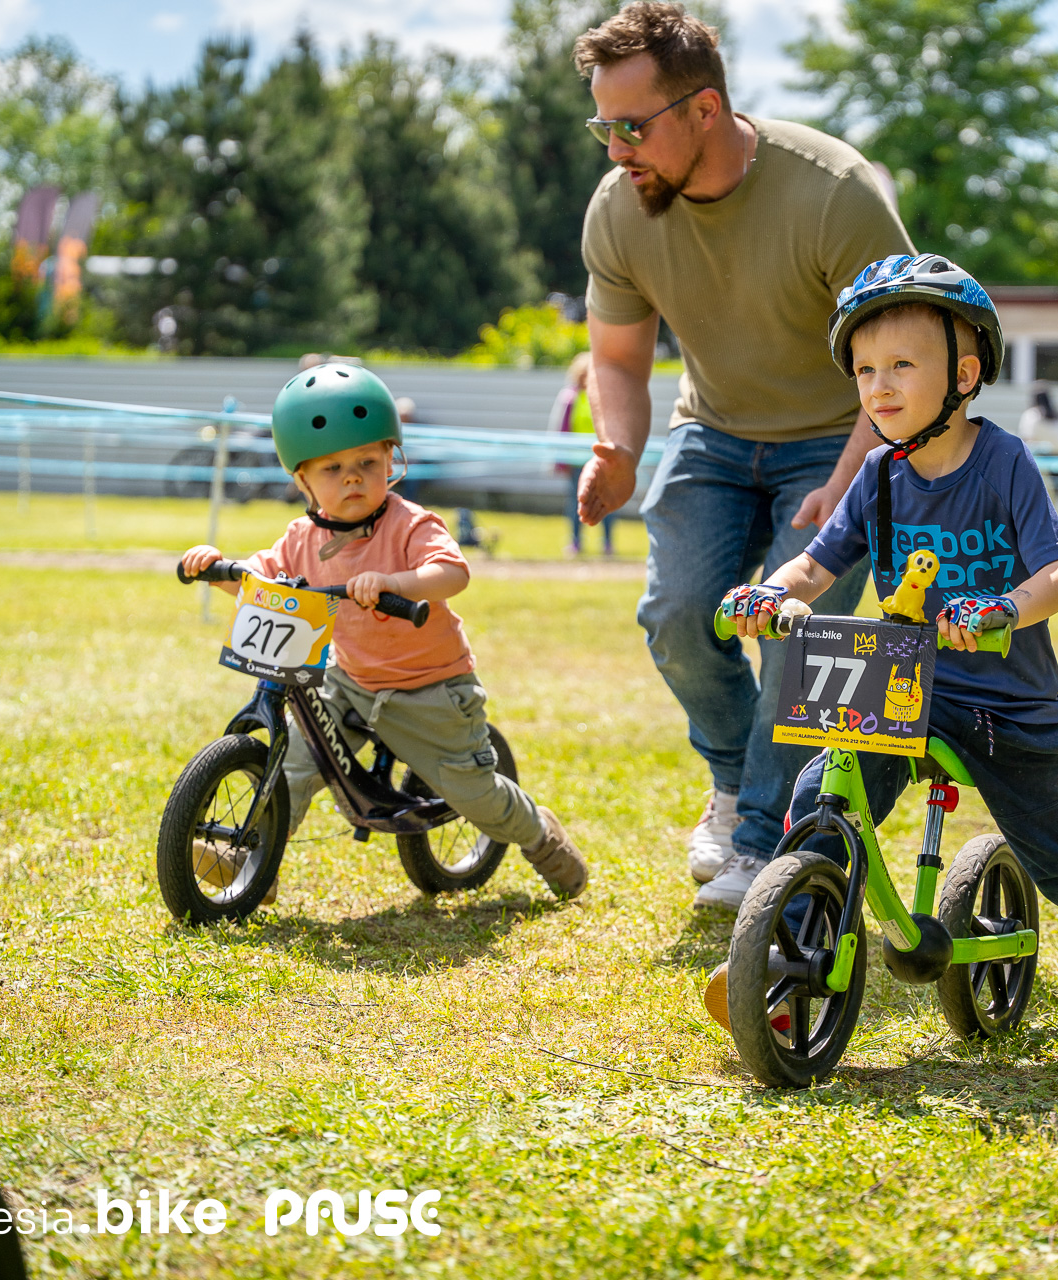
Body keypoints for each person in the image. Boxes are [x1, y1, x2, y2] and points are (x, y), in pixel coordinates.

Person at [709, 254, 1058, 1015]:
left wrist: (1002, 608)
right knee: (821, 797)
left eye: (902, 365)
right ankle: (787, 954)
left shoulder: (1003, 461)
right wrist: (768, 593)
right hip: (903, 684)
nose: (879, 386)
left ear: (965, 375)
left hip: (1008, 705)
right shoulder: (877, 474)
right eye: (865, 369)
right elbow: (814, 564)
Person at [569, 3, 914, 910]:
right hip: (713, 432)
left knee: (799, 637)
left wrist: (847, 485)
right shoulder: (619, 209)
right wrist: (618, 446)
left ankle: (763, 842)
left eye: (633, 126)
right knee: (679, 616)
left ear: (705, 109)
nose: (617, 149)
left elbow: (907, 361)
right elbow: (617, 357)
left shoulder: (834, 193)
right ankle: (733, 783)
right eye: (604, 128)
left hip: (841, 437)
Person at [180, 363, 588, 903]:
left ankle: (541, 835)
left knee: (473, 794)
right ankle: (257, 859)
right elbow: (264, 580)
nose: (352, 478)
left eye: (367, 463)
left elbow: (452, 572)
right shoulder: (301, 538)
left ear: (392, 460)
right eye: (332, 468)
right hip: (349, 682)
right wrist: (218, 568)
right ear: (302, 480)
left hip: (430, 689)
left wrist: (396, 582)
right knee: (293, 763)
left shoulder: (410, 524)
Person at [550, 352, 615, 556]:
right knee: (577, 502)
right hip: (576, 460)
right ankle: (576, 541)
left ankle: (607, 542)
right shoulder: (570, 398)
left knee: (606, 501)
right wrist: (561, 459)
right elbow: (562, 428)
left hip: (601, 459)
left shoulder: (605, 396)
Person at [1016, 381, 1058, 498]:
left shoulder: (1031, 415)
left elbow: (1027, 439)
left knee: (1037, 496)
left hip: (1038, 461)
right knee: (1055, 497)